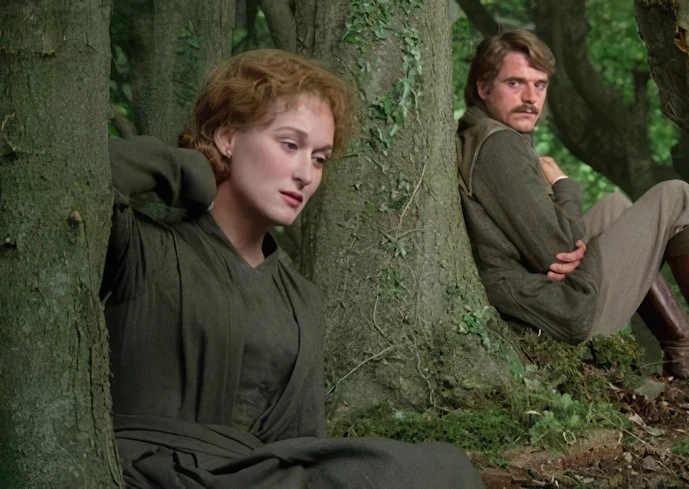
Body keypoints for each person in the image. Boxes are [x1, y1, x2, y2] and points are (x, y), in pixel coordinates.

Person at [101, 49, 484, 489]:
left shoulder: (301, 299)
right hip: (145, 473)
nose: (306, 174)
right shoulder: (143, 245)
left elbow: (304, 448)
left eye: (319, 158)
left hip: (257, 480)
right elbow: (76, 176)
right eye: (290, 145)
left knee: (441, 469)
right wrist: (187, 168)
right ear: (227, 136)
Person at [456, 30, 689, 407]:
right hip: (557, 308)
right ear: (483, 87)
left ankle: (688, 352)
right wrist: (563, 185)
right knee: (677, 197)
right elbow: (558, 250)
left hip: (535, 296)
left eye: (539, 85)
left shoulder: (481, 132)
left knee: (615, 208)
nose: (531, 98)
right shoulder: (499, 145)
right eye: (515, 83)